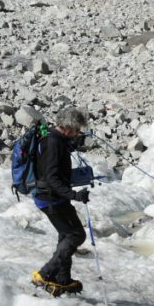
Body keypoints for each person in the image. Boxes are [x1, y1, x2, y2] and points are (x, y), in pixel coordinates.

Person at [30, 107, 91, 295]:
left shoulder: (55, 138)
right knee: (76, 235)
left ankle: (62, 279)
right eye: (77, 130)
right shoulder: (53, 142)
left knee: (65, 235)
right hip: (51, 198)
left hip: (53, 197)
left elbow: (57, 159)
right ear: (67, 127)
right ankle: (45, 274)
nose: (78, 133)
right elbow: (52, 177)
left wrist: (73, 143)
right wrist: (74, 195)